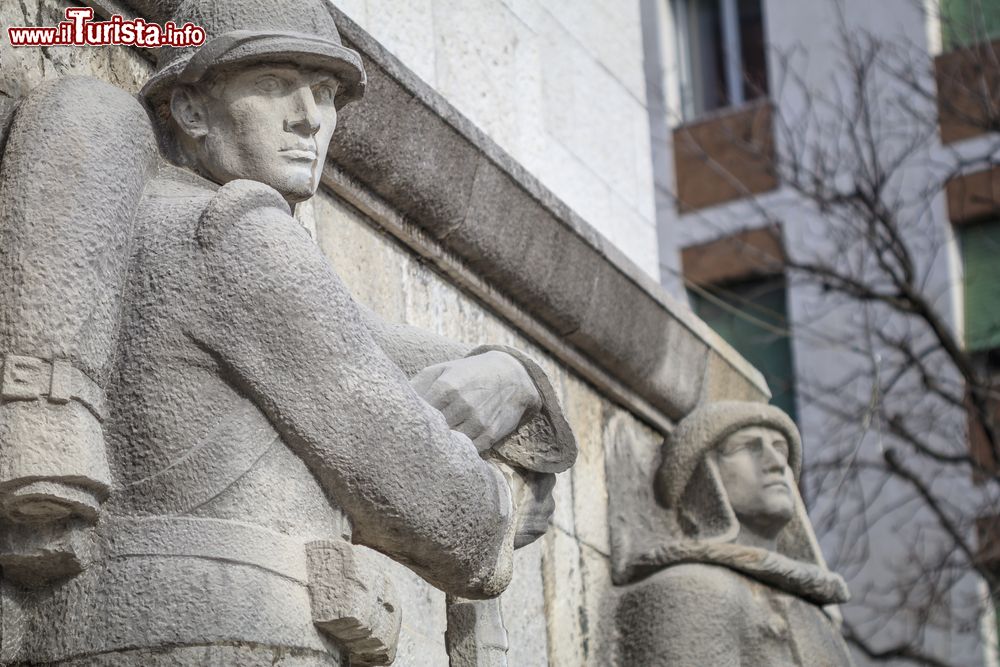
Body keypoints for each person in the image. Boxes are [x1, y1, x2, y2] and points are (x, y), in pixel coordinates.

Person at [0, 0, 574, 664]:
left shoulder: (155, 227)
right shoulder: (239, 233)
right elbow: (406, 472)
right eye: (275, 85)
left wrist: (513, 374)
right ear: (190, 110)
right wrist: (500, 509)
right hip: (235, 634)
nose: (310, 117)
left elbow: (379, 347)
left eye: (326, 93)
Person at [616, 401, 854, 666]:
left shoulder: (816, 615)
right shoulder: (695, 588)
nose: (776, 463)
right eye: (747, 447)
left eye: (781, 450)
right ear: (706, 478)